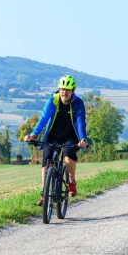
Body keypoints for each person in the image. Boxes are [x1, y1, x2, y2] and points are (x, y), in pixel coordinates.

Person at [24, 75, 89, 206]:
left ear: (73, 91)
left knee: (68, 155)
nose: (65, 92)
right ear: (59, 90)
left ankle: (71, 182)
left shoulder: (78, 103)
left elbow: (81, 121)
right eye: (62, 89)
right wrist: (33, 135)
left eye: (68, 90)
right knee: (47, 161)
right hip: (53, 136)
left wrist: (82, 139)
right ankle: (44, 192)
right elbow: (43, 118)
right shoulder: (53, 100)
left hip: (71, 136)